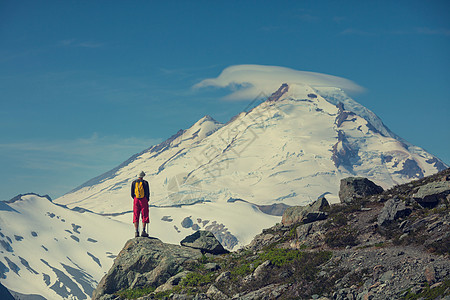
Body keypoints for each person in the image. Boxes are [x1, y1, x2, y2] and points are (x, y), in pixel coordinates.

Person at [131, 171, 150, 237]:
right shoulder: (145, 182)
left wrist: (135, 198)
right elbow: (147, 193)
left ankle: (136, 232)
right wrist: (147, 199)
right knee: (145, 214)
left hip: (136, 200)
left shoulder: (133, 183)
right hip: (143, 199)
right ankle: (144, 231)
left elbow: (132, 194)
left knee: (136, 215)